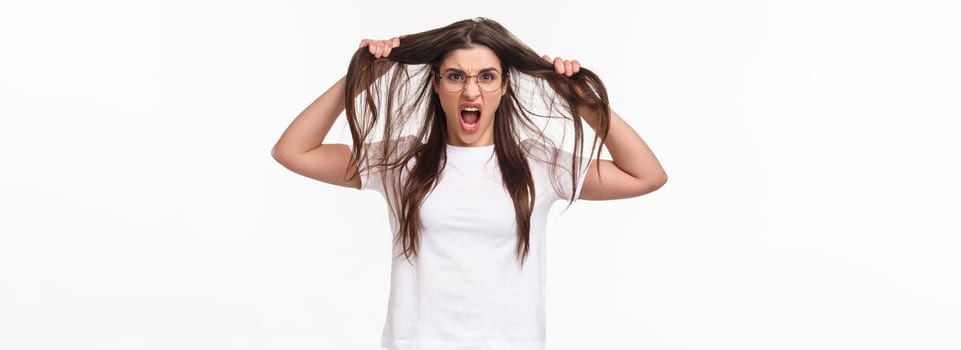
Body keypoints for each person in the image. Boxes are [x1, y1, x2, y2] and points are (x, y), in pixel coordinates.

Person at [272, 17, 666, 350]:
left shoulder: (538, 163)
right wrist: (359, 80)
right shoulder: (402, 162)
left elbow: (646, 176)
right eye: (456, 76)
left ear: (505, 85)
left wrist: (587, 107)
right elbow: (294, 151)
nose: (471, 90)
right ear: (437, 83)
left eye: (487, 76)